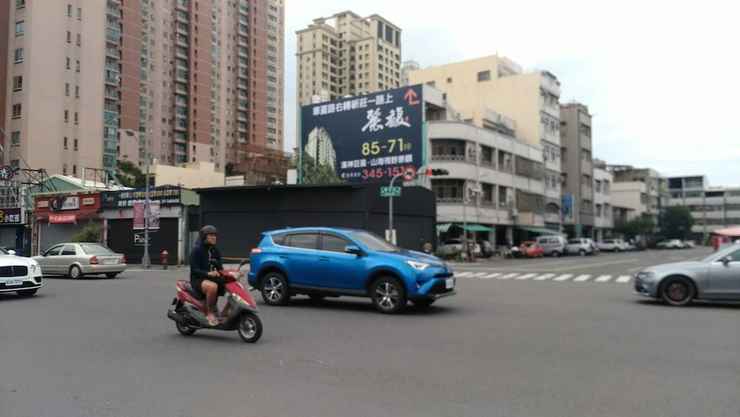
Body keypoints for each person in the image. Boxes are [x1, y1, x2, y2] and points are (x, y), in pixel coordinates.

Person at [190, 225, 225, 326]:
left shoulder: (215, 250)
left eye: (215, 235)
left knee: (231, 285)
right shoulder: (196, 250)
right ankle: (209, 313)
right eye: (210, 235)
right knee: (212, 287)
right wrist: (208, 273)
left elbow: (220, 268)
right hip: (198, 280)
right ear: (204, 237)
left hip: (211, 278)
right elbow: (194, 270)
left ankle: (221, 310)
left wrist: (233, 273)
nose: (214, 237)